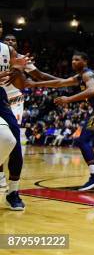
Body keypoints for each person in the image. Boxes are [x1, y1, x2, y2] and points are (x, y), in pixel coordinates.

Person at [27, 52, 94, 191]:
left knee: (82, 140)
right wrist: (35, 84)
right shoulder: (81, 76)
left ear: (85, 61)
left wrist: (68, 99)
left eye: (77, 60)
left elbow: (90, 91)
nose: (73, 62)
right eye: (72, 60)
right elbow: (60, 82)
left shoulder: (87, 74)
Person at [0, 34, 60, 189]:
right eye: (8, 40)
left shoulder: (21, 59)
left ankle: (13, 188)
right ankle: (0, 175)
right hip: (1, 98)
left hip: (14, 102)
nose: (11, 42)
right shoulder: (3, 54)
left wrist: (61, 82)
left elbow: (39, 76)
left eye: (13, 40)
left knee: (13, 141)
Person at [0, 26, 32, 210]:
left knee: (14, 142)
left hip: (1, 96)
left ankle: (13, 192)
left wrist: (18, 71)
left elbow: (21, 85)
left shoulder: (8, 50)